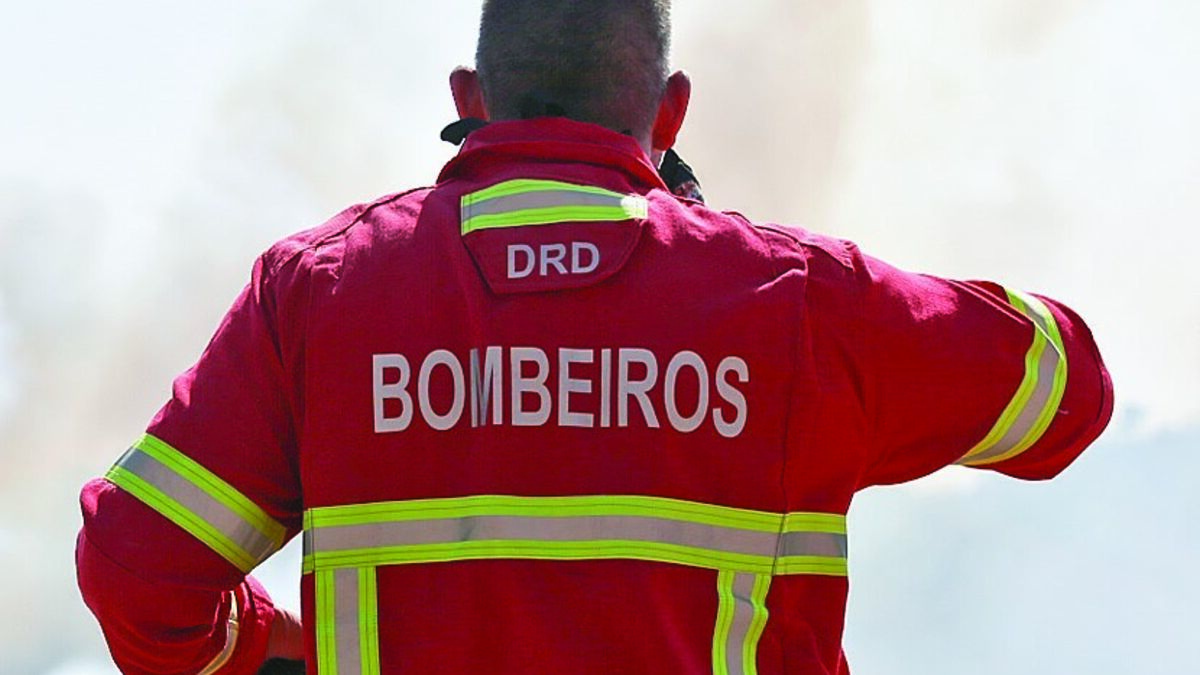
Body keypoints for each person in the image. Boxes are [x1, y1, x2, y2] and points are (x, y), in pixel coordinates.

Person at [76, 1, 1114, 673]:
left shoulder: (319, 291)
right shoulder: (797, 301)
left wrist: (274, 649)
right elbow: (1067, 396)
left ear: (469, 101)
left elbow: (135, 567)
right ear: (670, 114)